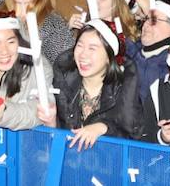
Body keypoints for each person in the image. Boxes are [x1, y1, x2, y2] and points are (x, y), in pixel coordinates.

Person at [39, 19, 142, 147]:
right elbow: (57, 138)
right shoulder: (64, 79)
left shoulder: (124, 87)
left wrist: (103, 127)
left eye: (92, 48)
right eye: (80, 45)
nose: (83, 55)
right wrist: (51, 123)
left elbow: (133, 137)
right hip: (67, 160)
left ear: (108, 58)